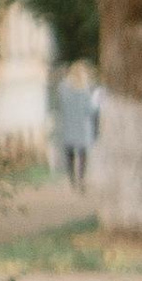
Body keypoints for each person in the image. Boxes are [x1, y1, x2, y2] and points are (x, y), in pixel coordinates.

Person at [52, 62, 95, 191]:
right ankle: (81, 179)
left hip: (68, 125)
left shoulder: (63, 87)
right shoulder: (85, 88)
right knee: (82, 155)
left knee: (70, 154)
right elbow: (90, 109)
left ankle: (72, 180)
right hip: (82, 126)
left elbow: (59, 105)